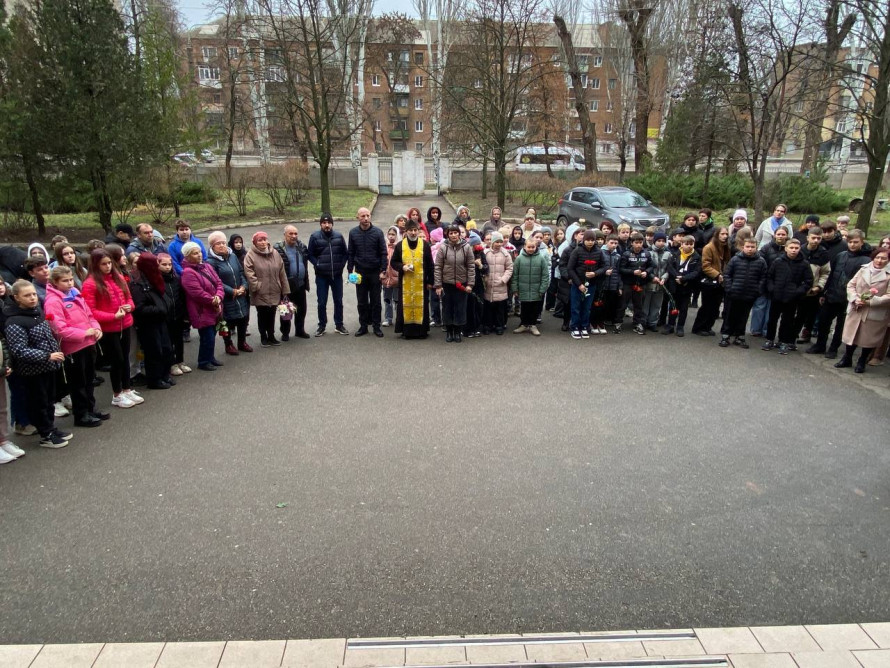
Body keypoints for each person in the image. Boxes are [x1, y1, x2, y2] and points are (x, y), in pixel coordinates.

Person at [3, 280, 72, 447]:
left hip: (48, 367)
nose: (33, 298)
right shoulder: (14, 321)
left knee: (48, 401)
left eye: (34, 294)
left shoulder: (36, 312)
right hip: (33, 370)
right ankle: (45, 434)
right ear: (16, 298)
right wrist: (47, 355)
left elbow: (47, 336)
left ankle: (50, 427)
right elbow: (19, 350)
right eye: (27, 295)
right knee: (38, 402)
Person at [43, 266, 108, 426]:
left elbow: (90, 315)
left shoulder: (75, 294)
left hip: (88, 343)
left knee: (89, 380)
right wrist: (85, 333)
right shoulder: (53, 301)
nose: (70, 283)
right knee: (78, 383)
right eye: (65, 281)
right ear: (55, 282)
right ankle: (81, 415)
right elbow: (59, 329)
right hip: (73, 348)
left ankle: (90, 409)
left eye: (71, 279)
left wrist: (97, 328)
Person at [82, 249, 142, 409]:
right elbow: (90, 310)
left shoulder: (119, 277)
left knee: (126, 358)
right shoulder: (90, 284)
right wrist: (112, 316)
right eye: (103, 264)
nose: (107, 266)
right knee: (117, 360)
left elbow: (129, 297)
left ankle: (126, 388)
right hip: (109, 328)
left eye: (109, 263)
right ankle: (117, 394)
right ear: (95, 265)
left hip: (125, 323)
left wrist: (130, 306)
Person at [807, 229, 871, 358]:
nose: (852, 244)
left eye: (856, 242)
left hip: (848, 298)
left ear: (862, 242)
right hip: (832, 295)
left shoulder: (866, 260)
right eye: (850, 242)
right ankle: (820, 344)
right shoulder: (840, 255)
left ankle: (833, 348)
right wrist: (824, 293)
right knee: (824, 322)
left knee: (841, 326)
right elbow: (831, 275)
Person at [835, 247, 890, 373]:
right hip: (857, 307)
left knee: (868, 337)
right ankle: (847, 358)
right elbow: (851, 285)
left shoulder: (888, 275)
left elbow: (889, 295)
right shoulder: (864, 269)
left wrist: (871, 301)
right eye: (877, 257)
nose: (879, 260)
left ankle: (862, 361)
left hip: (874, 310)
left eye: (883, 258)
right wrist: (855, 298)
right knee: (851, 335)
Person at [131, 254, 176, 389]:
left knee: (167, 349)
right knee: (154, 352)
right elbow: (139, 308)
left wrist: (165, 307)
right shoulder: (138, 283)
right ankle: (155, 379)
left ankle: (164, 375)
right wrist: (159, 309)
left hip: (161, 320)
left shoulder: (154, 279)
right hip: (149, 323)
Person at [762, 238, 813, 354]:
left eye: (796, 248)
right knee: (772, 320)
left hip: (792, 298)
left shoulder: (804, 264)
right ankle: (769, 339)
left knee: (787, 321)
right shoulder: (778, 261)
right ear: (786, 248)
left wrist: (797, 292)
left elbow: (808, 281)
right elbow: (769, 276)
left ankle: (783, 341)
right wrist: (772, 288)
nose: (794, 250)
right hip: (777, 296)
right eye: (791, 248)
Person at [180, 241, 225, 370]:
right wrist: (213, 300)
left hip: (214, 307)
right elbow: (197, 293)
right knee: (207, 337)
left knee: (212, 335)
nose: (199, 255)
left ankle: (210, 358)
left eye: (199, 252)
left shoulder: (207, 266)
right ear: (187, 256)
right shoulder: (188, 273)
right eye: (195, 253)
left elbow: (219, 283)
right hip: (201, 310)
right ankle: (203, 361)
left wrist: (219, 296)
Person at [206, 231, 251, 355]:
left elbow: (241, 272)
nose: (222, 245)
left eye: (223, 243)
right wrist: (232, 291)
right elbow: (216, 281)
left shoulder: (232, 256)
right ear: (212, 246)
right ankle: (228, 344)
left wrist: (244, 286)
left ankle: (242, 342)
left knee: (243, 318)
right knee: (226, 321)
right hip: (226, 297)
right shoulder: (210, 262)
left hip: (240, 293)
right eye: (218, 243)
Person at [389, 219, 434, 339]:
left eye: (415, 230)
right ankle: (407, 331)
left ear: (418, 230)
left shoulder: (424, 245)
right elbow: (393, 262)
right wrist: (402, 267)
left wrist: (430, 281)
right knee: (406, 305)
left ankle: (421, 331)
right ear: (406, 231)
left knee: (422, 305)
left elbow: (430, 264)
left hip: (422, 282)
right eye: (411, 230)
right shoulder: (400, 245)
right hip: (405, 282)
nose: (413, 233)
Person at [720, 237, 767, 349]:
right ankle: (726, 336)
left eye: (752, 247)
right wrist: (730, 288)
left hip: (750, 294)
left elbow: (763, 278)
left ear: (756, 247)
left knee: (743, 316)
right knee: (730, 315)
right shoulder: (735, 259)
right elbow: (727, 274)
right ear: (743, 247)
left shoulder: (761, 261)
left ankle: (739, 336)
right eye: (747, 247)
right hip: (734, 293)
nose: (750, 249)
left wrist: (757, 290)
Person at [347, 207, 387, 338]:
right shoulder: (353, 233)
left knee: (376, 301)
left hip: (375, 272)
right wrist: (349, 270)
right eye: (362, 216)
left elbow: (383, 253)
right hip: (360, 272)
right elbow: (351, 252)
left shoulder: (378, 232)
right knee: (362, 301)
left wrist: (383, 270)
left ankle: (376, 326)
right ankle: (363, 326)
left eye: (368, 215)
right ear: (357, 217)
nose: (365, 218)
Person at [244, 231, 288, 348]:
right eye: (260, 240)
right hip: (260, 291)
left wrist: (284, 289)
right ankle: (263, 336)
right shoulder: (250, 255)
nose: (263, 242)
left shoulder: (275, 253)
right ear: (255, 242)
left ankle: (271, 336)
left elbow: (282, 272)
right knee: (262, 314)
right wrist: (256, 286)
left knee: (272, 313)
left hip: (274, 289)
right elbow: (249, 272)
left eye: (265, 239)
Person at [307, 212, 349, 337]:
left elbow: (345, 253)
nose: (327, 225)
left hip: (336, 275)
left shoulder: (338, 236)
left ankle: (339, 324)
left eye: (329, 223)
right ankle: (321, 326)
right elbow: (310, 254)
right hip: (321, 276)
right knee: (321, 302)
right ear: (320, 224)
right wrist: (317, 264)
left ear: (332, 224)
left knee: (338, 301)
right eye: (324, 223)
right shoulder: (314, 237)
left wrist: (341, 265)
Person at [434, 224, 475, 343]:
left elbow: (471, 266)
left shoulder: (466, 247)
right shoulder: (443, 247)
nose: (453, 235)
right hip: (447, 283)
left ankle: (457, 331)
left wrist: (470, 284)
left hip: (461, 283)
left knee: (460, 308)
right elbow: (438, 267)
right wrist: (438, 285)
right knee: (447, 308)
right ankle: (449, 331)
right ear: (448, 234)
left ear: (459, 234)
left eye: (455, 233)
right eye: (451, 233)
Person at [749, 226, 789, 337]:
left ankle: (767, 330)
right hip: (764, 281)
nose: (780, 236)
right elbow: (760, 263)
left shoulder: (788, 249)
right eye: (779, 234)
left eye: (783, 234)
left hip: (778, 284)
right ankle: (756, 329)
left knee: (771, 309)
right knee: (759, 306)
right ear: (774, 235)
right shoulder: (766, 248)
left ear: (787, 235)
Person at [273, 225, 310, 340]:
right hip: (286, 285)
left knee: (302, 309)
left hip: (300, 284)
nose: (294, 236)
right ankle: (285, 332)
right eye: (291, 234)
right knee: (286, 310)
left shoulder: (302, 247)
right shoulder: (278, 248)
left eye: (295, 234)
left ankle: (300, 330)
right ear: (285, 235)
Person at [794, 227, 830, 344]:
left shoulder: (824, 254)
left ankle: (806, 333)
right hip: (799, 288)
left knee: (811, 314)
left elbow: (825, 273)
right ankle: (792, 334)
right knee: (798, 313)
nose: (815, 240)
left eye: (818, 238)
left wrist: (819, 287)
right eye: (813, 238)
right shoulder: (800, 250)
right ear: (808, 238)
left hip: (814, 290)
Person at [158, 253, 191, 375]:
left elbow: (182, 296)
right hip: (166, 316)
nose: (167, 267)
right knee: (169, 341)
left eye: (170, 264)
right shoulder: (158, 280)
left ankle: (180, 361)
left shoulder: (176, 278)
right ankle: (172, 364)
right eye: (164, 264)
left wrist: (185, 314)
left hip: (178, 314)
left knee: (179, 340)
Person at [567, 229, 603, 339]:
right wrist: (579, 284)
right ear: (584, 240)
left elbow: (604, 266)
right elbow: (570, 268)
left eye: (592, 240)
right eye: (588, 240)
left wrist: (595, 273)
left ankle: (584, 326)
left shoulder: (599, 251)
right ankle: (575, 327)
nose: (590, 242)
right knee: (576, 307)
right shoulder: (577, 251)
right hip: (578, 284)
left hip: (591, 284)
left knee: (587, 307)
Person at [511, 237, 550, 336]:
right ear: (524, 247)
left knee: (534, 308)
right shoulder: (519, 258)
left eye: (533, 247)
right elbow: (515, 275)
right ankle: (524, 324)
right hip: (523, 289)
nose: (531, 249)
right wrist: (515, 288)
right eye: (529, 247)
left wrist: (542, 289)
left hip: (536, 289)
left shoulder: (541, 258)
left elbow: (545, 275)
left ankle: (533, 325)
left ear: (536, 247)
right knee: (524, 308)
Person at [665, 235, 701, 337]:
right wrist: (677, 277)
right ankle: (671, 325)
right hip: (674, 285)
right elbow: (670, 267)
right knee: (672, 306)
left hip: (687, 286)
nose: (689, 246)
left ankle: (680, 326)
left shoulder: (696, 257)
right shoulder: (675, 254)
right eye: (686, 244)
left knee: (684, 308)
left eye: (691, 244)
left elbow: (696, 272)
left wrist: (684, 278)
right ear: (682, 244)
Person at [619, 232, 653, 335]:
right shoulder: (626, 254)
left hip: (640, 284)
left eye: (640, 242)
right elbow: (621, 269)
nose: (638, 245)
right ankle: (618, 322)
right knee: (623, 304)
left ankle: (637, 323)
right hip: (628, 283)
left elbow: (651, 266)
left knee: (638, 305)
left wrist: (646, 272)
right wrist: (632, 272)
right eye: (636, 242)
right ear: (632, 243)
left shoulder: (647, 253)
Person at [482, 232, 513, 335]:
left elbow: (509, 268)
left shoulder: (506, 254)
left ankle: (499, 325)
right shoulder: (486, 253)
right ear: (492, 242)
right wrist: (485, 279)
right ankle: (488, 325)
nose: (499, 244)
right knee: (489, 308)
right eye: (497, 242)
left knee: (500, 308)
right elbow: (482, 267)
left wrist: (503, 279)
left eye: (500, 242)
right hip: (488, 285)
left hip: (500, 286)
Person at [643, 232, 672, 332]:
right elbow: (645, 267)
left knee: (656, 304)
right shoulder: (647, 252)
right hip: (649, 283)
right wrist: (652, 277)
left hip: (661, 284)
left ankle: (652, 323)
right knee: (646, 304)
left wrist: (664, 278)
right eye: (659, 241)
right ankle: (643, 322)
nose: (661, 243)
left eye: (663, 241)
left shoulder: (668, 253)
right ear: (654, 241)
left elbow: (669, 269)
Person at [381, 225, 401, 328]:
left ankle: (398, 318)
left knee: (397, 299)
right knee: (387, 299)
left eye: (393, 234)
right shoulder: (384, 246)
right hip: (386, 277)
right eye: (389, 234)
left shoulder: (400, 247)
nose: (391, 236)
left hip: (396, 277)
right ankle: (388, 318)